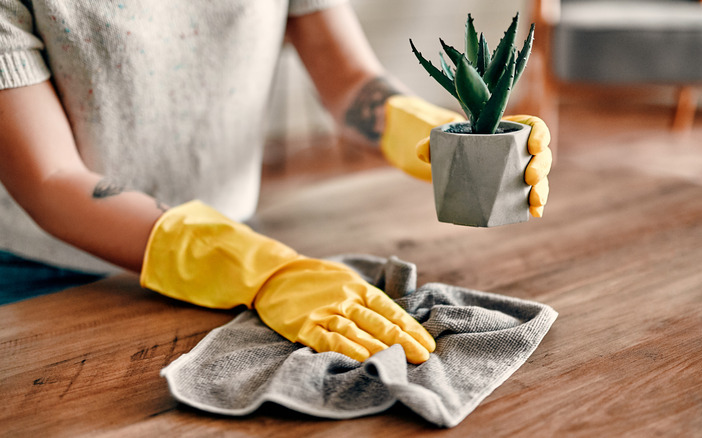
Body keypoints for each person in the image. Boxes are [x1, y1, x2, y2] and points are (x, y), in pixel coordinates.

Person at [0, 1, 551, 364]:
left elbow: (348, 78)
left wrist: (445, 136)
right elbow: (51, 178)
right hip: (50, 277)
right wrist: (266, 270)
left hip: (232, 250)